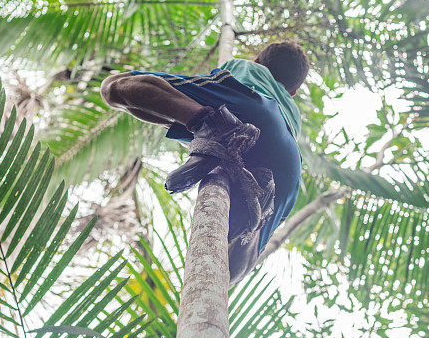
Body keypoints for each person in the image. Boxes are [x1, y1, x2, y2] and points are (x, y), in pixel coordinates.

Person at [100, 40, 308, 286]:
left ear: (257, 61)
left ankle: (207, 123)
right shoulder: (294, 112)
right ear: (292, 93)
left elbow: (129, 89)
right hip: (289, 165)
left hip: (254, 108)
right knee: (237, 261)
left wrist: (190, 117)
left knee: (114, 87)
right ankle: (254, 219)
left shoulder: (249, 70)